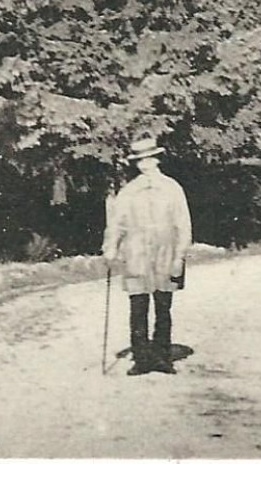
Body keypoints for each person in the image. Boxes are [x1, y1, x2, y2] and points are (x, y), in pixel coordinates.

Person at [102, 136, 192, 375]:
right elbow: (117, 224)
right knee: (138, 307)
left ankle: (162, 357)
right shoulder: (129, 191)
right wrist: (110, 248)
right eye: (140, 161)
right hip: (136, 255)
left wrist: (179, 257)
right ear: (136, 164)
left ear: (157, 159)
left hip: (166, 253)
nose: (145, 164)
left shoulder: (172, 188)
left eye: (149, 159)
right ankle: (141, 358)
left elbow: (183, 225)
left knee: (164, 307)